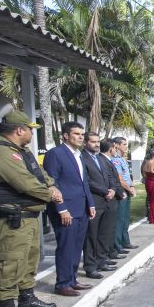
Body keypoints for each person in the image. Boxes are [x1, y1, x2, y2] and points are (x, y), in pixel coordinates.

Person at [0, 110, 60, 307]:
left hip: (26, 216)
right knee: (10, 262)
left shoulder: (20, 151)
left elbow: (39, 174)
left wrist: (50, 185)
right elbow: (23, 182)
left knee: (28, 260)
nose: (32, 133)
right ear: (20, 130)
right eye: (30, 129)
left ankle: (26, 299)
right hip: (9, 217)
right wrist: (51, 194)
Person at [43, 122, 96, 297]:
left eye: (82, 134)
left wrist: (91, 204)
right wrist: (61, 209)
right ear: (65, 135)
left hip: (81, 208)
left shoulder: (78, 154)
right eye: (76, 134)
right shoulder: (55, 154)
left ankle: (72, 279)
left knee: (76, 246)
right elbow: (52, 183)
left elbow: (83, 182)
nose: (81, 137)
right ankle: (63, 283)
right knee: (66, 247)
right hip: (66, 210)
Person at [81, 133, 120, 279]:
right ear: (85, 143)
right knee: (91, 236)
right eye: (92, 142)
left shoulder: (99, 158)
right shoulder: (82, 158)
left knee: (103, 234)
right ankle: (90, 266)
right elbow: (87, 180)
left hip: (106, 200)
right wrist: (105, 190)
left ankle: (101, 260)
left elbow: (109, 176)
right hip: (94, 201)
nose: (96, 144)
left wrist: (113, 190)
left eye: (97, 142)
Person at [111, 137, 137, 256]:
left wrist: (132, 187)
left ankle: (125, 241)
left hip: (127, 190)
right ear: (116, 145)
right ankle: (117, 244)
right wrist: (128, 188)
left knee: (126, 218)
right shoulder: (115, 160)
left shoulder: (122, 159)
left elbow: (127, 176)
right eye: (124, 144)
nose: (126, 147)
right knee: (120, 219)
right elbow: (119, 179)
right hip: (121, 192)